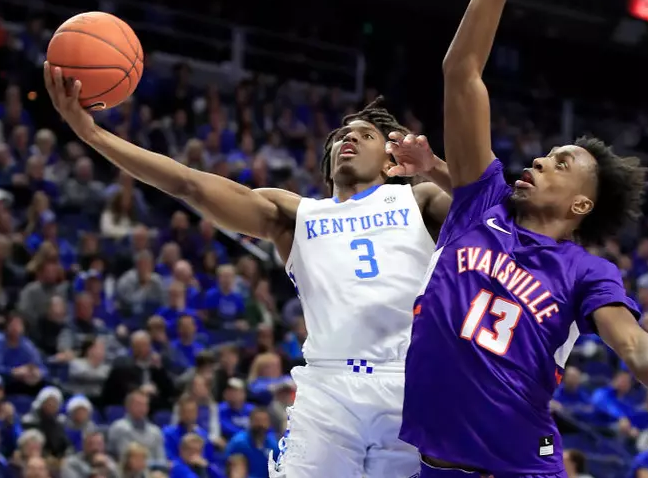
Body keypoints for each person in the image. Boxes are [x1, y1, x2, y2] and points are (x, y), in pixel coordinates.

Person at [399, 0, 648, 477]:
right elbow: (462, 72)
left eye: (559, 163)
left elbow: (631, 342)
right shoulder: (480, 204)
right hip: (433, 467)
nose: (539, 162)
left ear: (581, 202)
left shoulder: (587, 273)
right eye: (547, 154)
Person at [44, 62, 454, 478]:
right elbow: (188, 184)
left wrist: (433, 167)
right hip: (330, 391)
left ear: (390, 162)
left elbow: (497, 213)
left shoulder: (418, 200)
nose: (350, 138)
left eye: (366, 135)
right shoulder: (295, 213)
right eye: (343, 136)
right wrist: (91, 133)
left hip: (407, 383)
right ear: (328, 163)